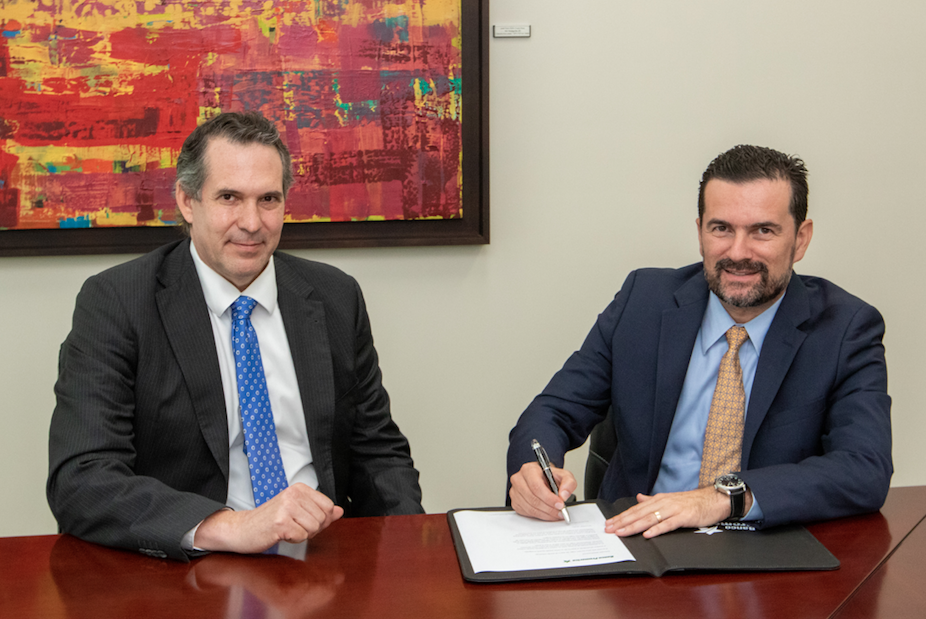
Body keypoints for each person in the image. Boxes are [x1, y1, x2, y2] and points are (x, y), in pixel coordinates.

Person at [47, 111, 423, 561]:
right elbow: (82, 479)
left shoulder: (335, 296)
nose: (252, 222)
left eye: (268, 199)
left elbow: (379, 453)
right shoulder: (117, 302)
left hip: (321, 559)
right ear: (188, 201)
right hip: (191, 564)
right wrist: (232, 526)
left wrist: (409, 553)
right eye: (229, 197)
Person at [507, 144, 892, 539]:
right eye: (721, 228)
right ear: (700, 232)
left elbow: (864, 468)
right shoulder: (643, 302)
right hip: (637, 539)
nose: (738, 253)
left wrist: (723, 498)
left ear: (801, 239)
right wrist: (532, 474)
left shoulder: (845, 329)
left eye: (763, 231)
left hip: (767, 547)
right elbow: (552, 411)